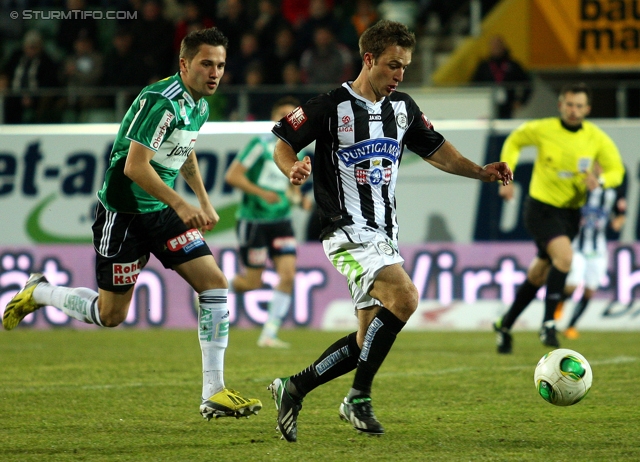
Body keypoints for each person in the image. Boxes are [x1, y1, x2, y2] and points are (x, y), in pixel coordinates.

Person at [267, 20, 513, 442]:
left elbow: (435, 150)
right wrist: (291, 165)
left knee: (366, 342)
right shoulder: (330, 106)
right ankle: (358, 399)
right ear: (369, 59)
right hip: (344, 230)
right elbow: (282, 140)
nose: (399, 75)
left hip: (383, 233)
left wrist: (481, 172)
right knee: (405, 296)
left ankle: (294, 387)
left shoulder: (404, 109)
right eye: (393, 65)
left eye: (405, 67)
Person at [3, 28, 262, 421]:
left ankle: (215, 392)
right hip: (123, 215)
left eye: (221, 65)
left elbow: (183, 154)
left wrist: (203, 202)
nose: (215, 72)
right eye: (206, 63)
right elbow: (134, 166)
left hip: (162, 212)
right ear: (184, 64)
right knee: (110, 315)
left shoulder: (200, 107)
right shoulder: (162, 101)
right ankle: (40, 292)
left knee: (213, 282)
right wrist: (181, 202)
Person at [493, 82, 625, 354]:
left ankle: (504, 325)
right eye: (569, 104)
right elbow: (515, 141)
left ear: (587, 109)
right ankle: (549, 323)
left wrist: (599, 181)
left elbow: (617, 171)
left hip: (571, 214)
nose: (574, 110)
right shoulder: (543, 129)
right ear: (560, 105)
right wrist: (506, 176)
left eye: (579, 106)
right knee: (565, 258)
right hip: (541, 208)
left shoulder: (596, 138)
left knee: (539, 274)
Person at [225, 96, 310, 348]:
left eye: (291, 115)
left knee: (288, 275)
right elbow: (232, 176)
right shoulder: (258, 146)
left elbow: (289, 190)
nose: (286, 119)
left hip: (281, 221)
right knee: (253, 282)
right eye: (282, 114)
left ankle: (269, 334)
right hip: (254, 221)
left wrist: (299, 200)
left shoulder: (298, 151)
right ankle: (217, 285)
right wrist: (262, 193)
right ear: (274, 119)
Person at [560, 164, 627, 340]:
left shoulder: (612, 191)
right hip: (578, 246)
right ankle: (560, 301)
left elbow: (621, 212)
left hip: (598, 248)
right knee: (573, 284)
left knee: (590, 291)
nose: (600, 167)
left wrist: (619, 221)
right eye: (597, 163)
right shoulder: (580, 187)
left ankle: (571, 326)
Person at [471, 35, 532, 119]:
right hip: (488, 105)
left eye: (498, 46)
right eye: (493, 46)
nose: (495, 48)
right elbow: (474, 85)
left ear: (503, 47)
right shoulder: (484, 66)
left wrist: (521, 101)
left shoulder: (513, 65)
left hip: (508, 105)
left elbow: (528, 83)